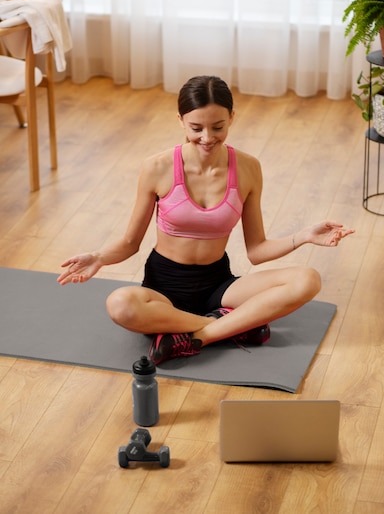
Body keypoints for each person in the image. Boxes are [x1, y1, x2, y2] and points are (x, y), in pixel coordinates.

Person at [58, 75, 354, 365]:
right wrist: (98, 257)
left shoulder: (248, 168)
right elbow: (130, 243)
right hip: (164, 290)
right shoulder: (157, 167)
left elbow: (256, 250)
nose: (207, 138)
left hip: (219, 286)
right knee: (120, 304)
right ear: (181, 121)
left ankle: (200, 336)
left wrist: (303, 235)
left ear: (231, 118)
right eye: (196, 128)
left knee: (308, 279)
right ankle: (235, 325)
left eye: (218, 127)